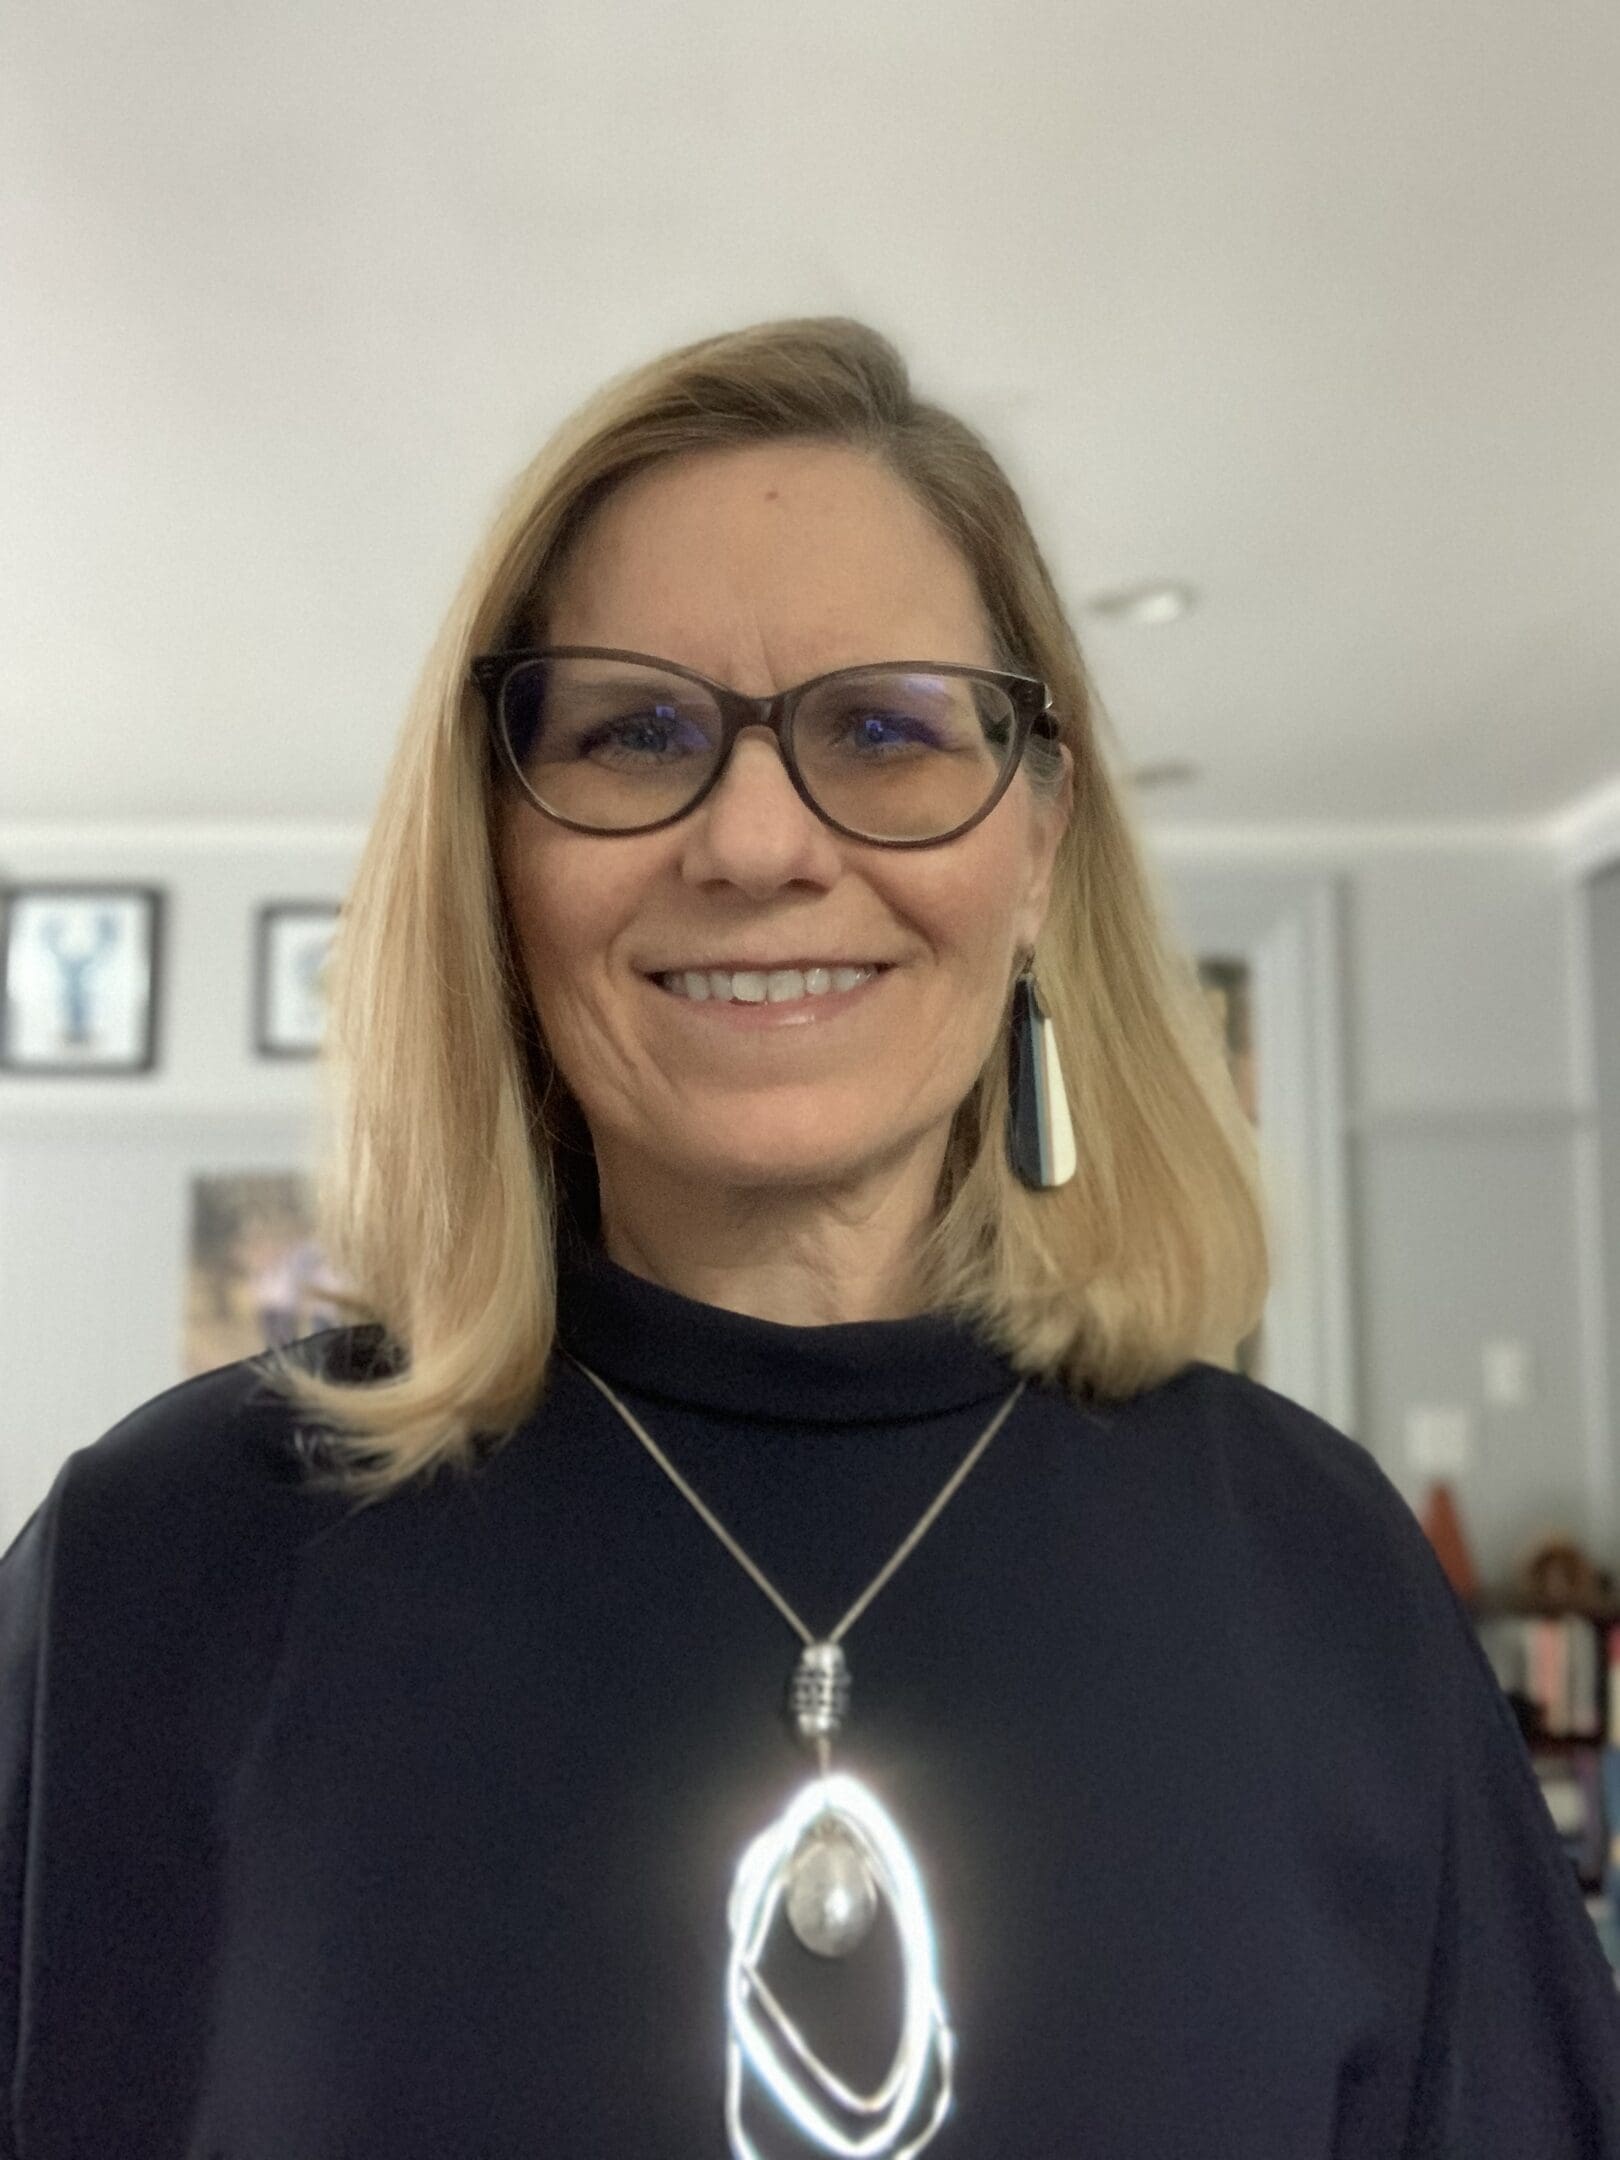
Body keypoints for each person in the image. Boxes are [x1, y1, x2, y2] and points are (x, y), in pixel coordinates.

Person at [2, 317, 1616, 2160]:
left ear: (1037, 843)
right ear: (497, 853)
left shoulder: (1330, 1589)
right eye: (634, 732)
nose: (758, 840)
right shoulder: (169, 1564)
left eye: (883, 727)